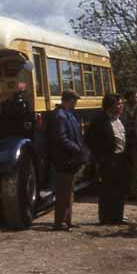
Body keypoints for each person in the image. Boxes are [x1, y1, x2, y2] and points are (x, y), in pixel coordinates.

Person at [87, 93, 127, 224]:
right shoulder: (99, 120)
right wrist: (100, 155)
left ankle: (118, 217)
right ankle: (106, 218)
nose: (121, 106)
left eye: (121, 104)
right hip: (108, 159)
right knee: (107, 189)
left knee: (120, 188)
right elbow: (89, 139)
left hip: (121, 158)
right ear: (111, 105)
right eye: (119, 104)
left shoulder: (120, 119)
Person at [53, 89, 86, 230]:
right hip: (65, 159)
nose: (76, 103)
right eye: (74, 100)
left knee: (69, 191)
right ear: (68, 100)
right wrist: (76, 148)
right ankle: (59, 222)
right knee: (63, 192)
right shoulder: (60, 116)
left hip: (71, 159)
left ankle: (67, 220)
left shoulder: (69, 115)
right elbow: (61, 138)